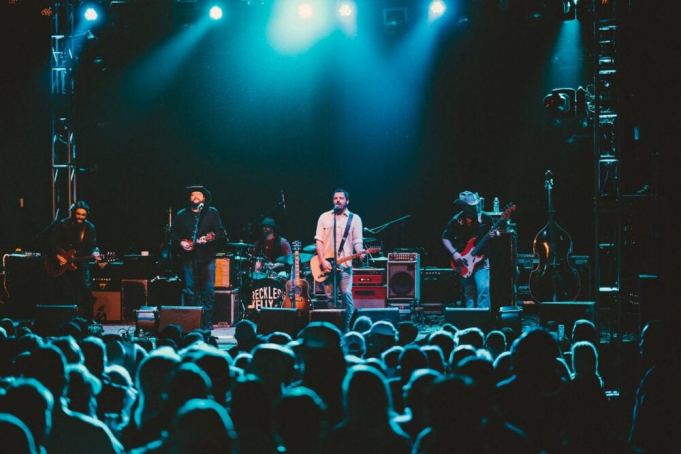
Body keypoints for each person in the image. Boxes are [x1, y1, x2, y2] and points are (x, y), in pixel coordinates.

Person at [171, 185, 227, 330]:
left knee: (208, 290)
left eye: (199, 195)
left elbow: (220, 231)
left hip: (207, 257)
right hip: (188, 257)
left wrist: (209, 238)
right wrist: (181, 242)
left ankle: (207, 322)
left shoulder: (212, 212)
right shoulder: (181, 214)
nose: (195, 197)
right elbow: (173, 234)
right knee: (191, 290)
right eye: (192, 195)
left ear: (204, 198)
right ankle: (193, 321)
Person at [314, 189, 364, 332]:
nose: (338, 200)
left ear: (347, 201)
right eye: (335, 198)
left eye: (341, 198)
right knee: (330, 297)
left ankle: (347, 328)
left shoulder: (354, 219)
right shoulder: (324, 217)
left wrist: (359, 251)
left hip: (345, 265)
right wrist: (322, 260)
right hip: (327, 264)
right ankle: (333, 328)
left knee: (346, 294)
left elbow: (357, 240)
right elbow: (319, 240)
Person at [441, 190, 499, 309]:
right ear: (463, 206)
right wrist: (454, 253)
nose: (474, 208)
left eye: (475, 205)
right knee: (469, 292)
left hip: (481, 260)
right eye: (470, 206)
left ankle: (483, 321)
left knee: (483, 290)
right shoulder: (456, 220)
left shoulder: (485, 217)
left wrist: (496, 234)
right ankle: (471, 320)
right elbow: (445, 238)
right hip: (463, 262)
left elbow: (495, 231)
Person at [50, 201, 100, 321]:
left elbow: (92, 245)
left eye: (83, 215)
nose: (80, 217)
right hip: (63, 265)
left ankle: (89, 320)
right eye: (78, 214)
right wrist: (57, 256)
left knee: (85, 290)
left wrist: (94, 253)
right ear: (73, 213)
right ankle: (66, 320)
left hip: (81, 263)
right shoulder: (63, 224)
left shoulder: (89, 227)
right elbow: (51, 243)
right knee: (66, 292)